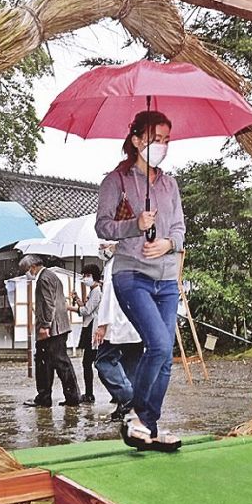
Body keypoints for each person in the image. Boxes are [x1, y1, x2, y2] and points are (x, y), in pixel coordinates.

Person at [95, 110, 185, 452]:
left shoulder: (169, 184)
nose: (161, 146)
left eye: (165, 140)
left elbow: (178, 227)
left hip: (166, 277)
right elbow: (103, 226)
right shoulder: (115, 181)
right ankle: (136, 414)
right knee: (159, 345)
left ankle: (147, 425)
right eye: (154, 140)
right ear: (135, 140)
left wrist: (169, 243)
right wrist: (136, 223)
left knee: (165, 357)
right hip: (132, 274)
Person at [19, 254, 80, 408]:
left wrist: (45, 325)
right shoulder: (52, 276)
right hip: (59, 326)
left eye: (26, 270)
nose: (27, 274)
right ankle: (54, 396)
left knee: (53, 362)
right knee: (50, 362)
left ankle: (55, 397)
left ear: (32, 267)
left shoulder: (43, 279)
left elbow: (48, 304)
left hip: (52, 328)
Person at [93, 244, 143, 421]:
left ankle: (129, 399)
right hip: (137, 323)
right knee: (132, 365)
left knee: (103, 362)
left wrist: (102, 324)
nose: (101, 249)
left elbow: (110, 296)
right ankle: (130, 409)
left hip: (118, 322)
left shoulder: (115, 263)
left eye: (103, 245)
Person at [67, 264, 102, 404]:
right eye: (84, 275)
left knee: (88, 362)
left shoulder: (97, 291)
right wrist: (78, 300)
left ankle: (89, 394)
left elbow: (87, 311)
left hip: (92, 328)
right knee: (88, 362)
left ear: (94, 276)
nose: (85, 278)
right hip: (88, 326)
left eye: (87, 275)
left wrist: (69, 308)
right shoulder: (92, 291)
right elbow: (86, 307)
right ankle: (89, 393)